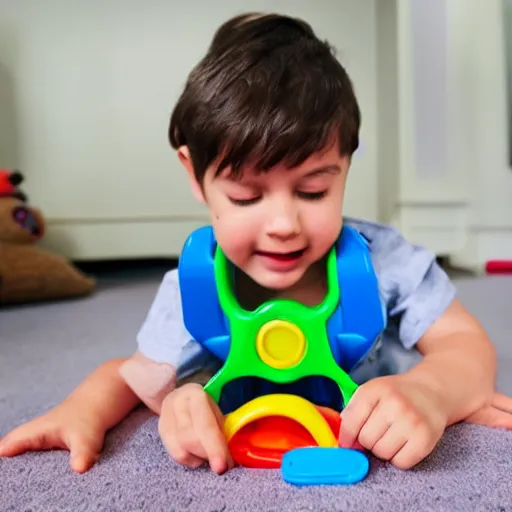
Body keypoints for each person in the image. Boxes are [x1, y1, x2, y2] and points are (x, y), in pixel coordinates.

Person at [1, 12, 511, 477]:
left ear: (346, 167)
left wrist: (432, 393)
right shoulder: (194, 287)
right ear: (195, 177)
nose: (283, 223)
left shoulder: (384, 260)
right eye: (247, 196)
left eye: (313, 191)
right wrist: (93, 409)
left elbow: (465, 346)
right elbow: (130, 377)